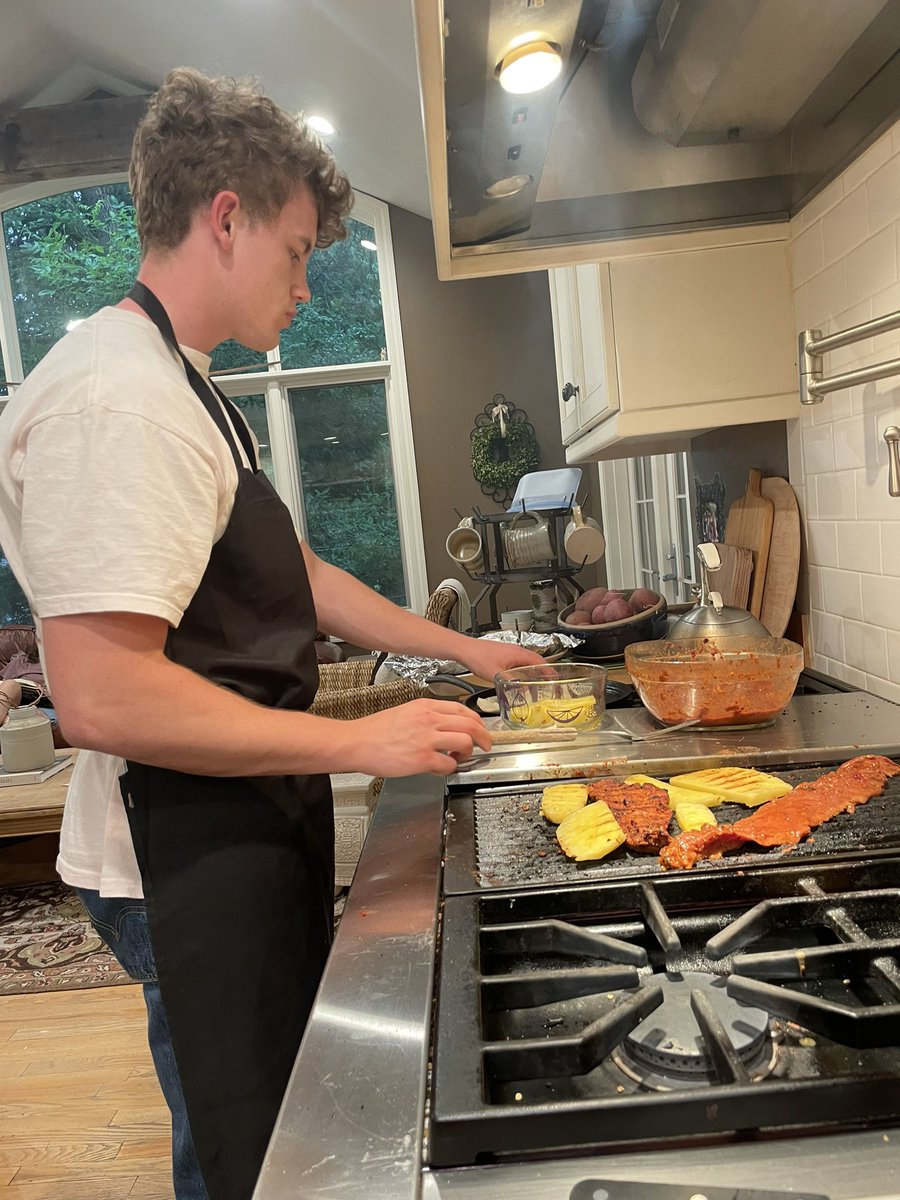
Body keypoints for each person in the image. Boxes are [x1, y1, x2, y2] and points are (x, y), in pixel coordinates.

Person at [0, 68, 543, 1200]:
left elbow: (297, 574)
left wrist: (463, 651)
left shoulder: (187, 385)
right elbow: (103, 696)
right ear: (227, 218)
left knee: (269, 1136)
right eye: (299, 251)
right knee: (236, 1154)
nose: (307, 282)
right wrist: (362, 744)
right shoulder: (114, 399)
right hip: (173, 853)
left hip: (233, 820)